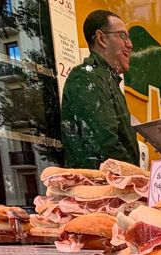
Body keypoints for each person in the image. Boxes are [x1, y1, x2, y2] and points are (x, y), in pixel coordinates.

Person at [61, 10, 139, 168]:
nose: (129, 44)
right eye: (122, 36)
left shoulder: (105, 79)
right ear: (102, 39)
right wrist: (137, 177)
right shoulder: (86, 77)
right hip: (101, 187)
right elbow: (106, 142)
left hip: (114, 185)